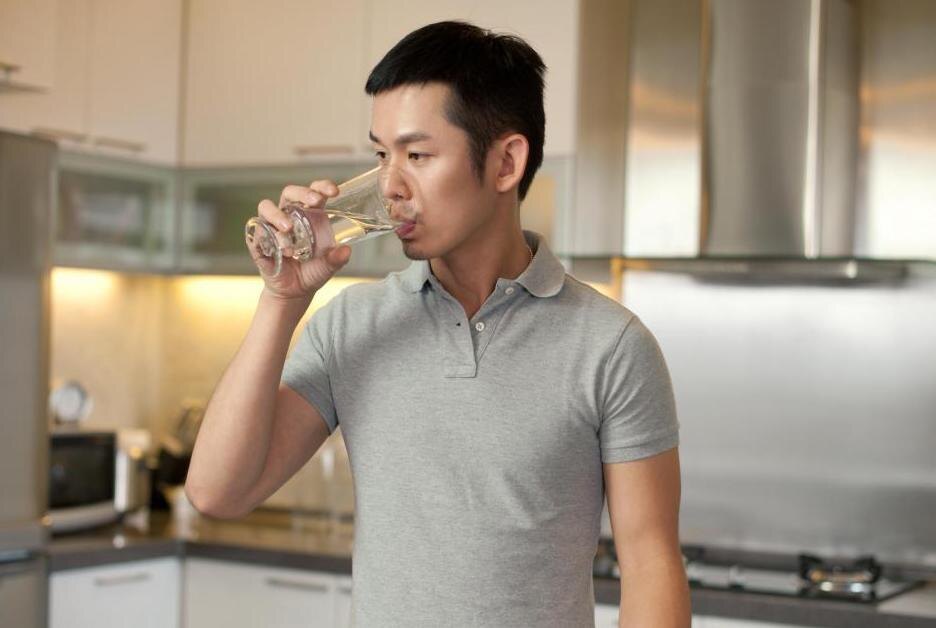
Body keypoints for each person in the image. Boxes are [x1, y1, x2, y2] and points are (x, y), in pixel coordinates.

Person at [185, 20, 690, 628]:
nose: (389, 187)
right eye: (381, 155)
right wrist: (281, 300)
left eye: (417, 155)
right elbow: (216, 493)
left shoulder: (611, 346)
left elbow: (651, 565)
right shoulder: (350, 327)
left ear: (506, 163)